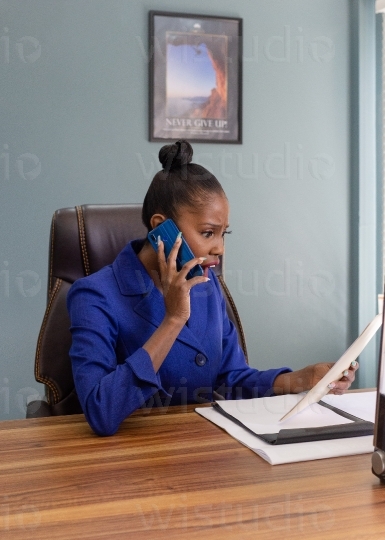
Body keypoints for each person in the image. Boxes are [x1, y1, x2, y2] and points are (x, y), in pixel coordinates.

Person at [67, 140, 358, 436]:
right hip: (130, 461)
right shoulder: (94, 295)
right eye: (208, 233)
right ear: (161, 228)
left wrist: (301, 378)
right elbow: (101, 411)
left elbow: (231, 378)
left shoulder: (205, 284)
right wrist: (173, 320)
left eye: (223, 233)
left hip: (202, 449)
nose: (219, 247)